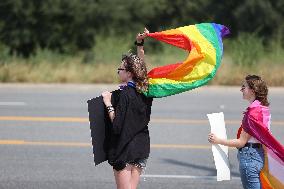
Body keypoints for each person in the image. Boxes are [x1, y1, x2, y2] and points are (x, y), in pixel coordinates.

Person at [208, 75, 283, 189]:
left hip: (249, 157)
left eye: (244, 87)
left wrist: (218, 140)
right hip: (259, 156)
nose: (241, 89)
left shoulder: (252, 114)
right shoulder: (263, 110)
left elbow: (241, 142)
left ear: (252, 91)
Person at [101, 28, 152, 189]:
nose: (118, 71)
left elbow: (117, 125)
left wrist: (108, 102)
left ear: (129, 73)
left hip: (125, 148)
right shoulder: (146, 90)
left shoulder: (125, 95)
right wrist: (140, 44)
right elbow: (141, 69)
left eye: (120, 69)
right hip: (141, 147)